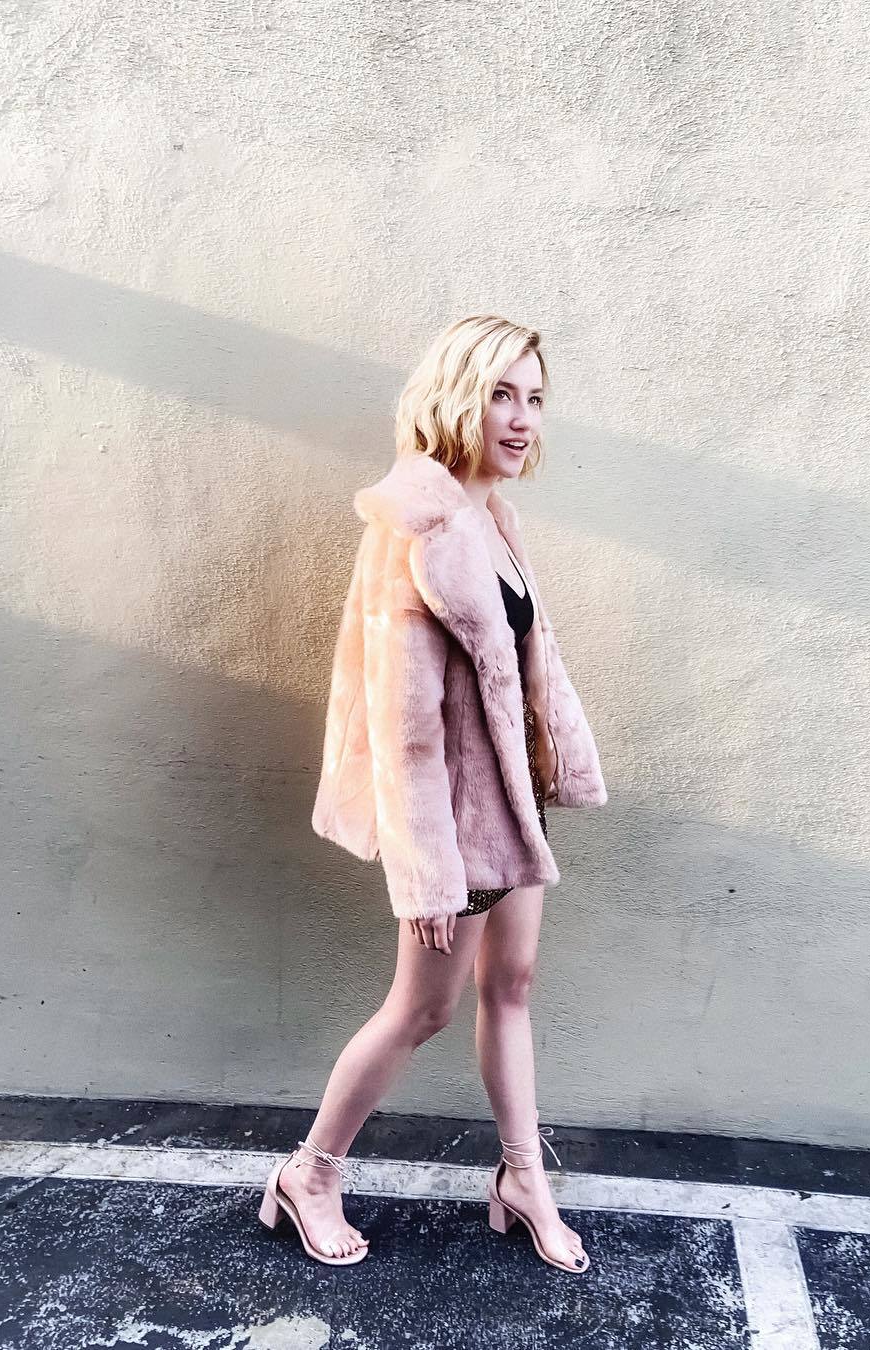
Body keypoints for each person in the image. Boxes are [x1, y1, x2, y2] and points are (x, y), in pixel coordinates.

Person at [258, 315, 608, 1274]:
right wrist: (423, 873)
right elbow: (402, 724)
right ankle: (309, 1174)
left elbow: (527, 672)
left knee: (513, 987)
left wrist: (556, 765)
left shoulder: (495, 520)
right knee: (422, 1011)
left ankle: (523, 1179)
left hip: (512, 809)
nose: (523, 418)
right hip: (450, 826)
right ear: (457, 397)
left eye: (535, 398)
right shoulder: (412, 527)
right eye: (502, 394)